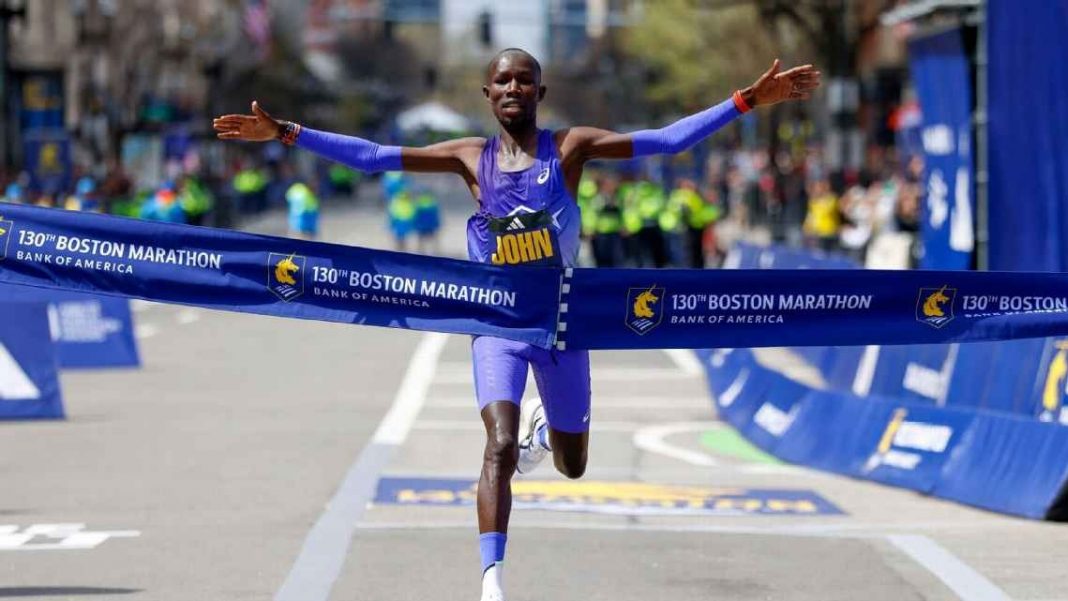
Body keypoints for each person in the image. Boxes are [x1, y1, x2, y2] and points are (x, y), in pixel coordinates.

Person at [213, 49, 819, 601]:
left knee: (572, 464)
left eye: (523, 80)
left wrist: (745, 100)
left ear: (539, 92)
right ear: (487, 93)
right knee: (496, 446)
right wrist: (287, 132)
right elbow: (372, 158)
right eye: (502, 80)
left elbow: (663, 142)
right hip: (498, 324)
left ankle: (544, 437)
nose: (512, 87)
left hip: (562, 328)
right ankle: (491, 580)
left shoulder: (571, 148)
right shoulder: (470, 158)